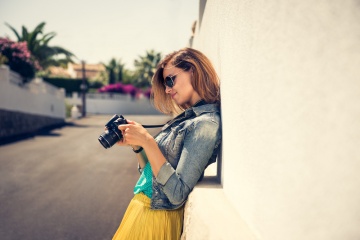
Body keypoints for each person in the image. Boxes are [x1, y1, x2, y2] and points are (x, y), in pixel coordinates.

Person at [111, 47, 222, 240]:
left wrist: (148, 141)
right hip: (141, 210)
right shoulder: (187, 119)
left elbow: (177, 193)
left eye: (170, 80)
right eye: (165, 84)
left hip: (156, 219)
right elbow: (151, 175)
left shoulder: (205, 124)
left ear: (193, 70)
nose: (168, 89)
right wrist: (138, 145)